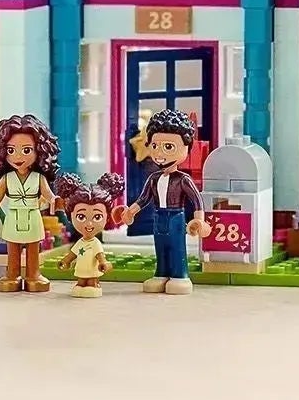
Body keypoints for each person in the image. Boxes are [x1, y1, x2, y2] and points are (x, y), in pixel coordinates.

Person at [117, 110, 209, 295]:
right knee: (161, 246)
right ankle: (161, 274)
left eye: (168, 147)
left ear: (187, 147)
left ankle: (180, 276)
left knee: (177, 247)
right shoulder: (153, 178)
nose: (159, 153)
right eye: (155, 145)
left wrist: (199, 220)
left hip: (176, 217)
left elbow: (196, 200)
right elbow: (143, 198)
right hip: (158, 216)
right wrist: (131, 211)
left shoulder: (183, 180)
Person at [0, 115, 59, 295]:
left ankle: (33, 275)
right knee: (13, 248)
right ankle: (12, 274)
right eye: (11, 150)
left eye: (27, 150)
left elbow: (48, 194)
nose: (18, 156)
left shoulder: (38, 178)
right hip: (13, 216)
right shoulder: (7, 179)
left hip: (32, 215)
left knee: (33, 248)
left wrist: (55, 200)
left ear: (40, 151)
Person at [53, 172, 124, 298]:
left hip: (92, 271)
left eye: (97, 217)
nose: (89, 224)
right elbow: (72, 254)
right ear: (70, 216)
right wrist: (65, 261)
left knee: (91, 282)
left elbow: (100, 256)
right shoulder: (80, 242)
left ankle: (93, 285)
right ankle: (81, 286)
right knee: (81, 282)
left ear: (107, 217)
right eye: (81, 217)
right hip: (81, 270)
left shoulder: (95, 243)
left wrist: (103, 263)